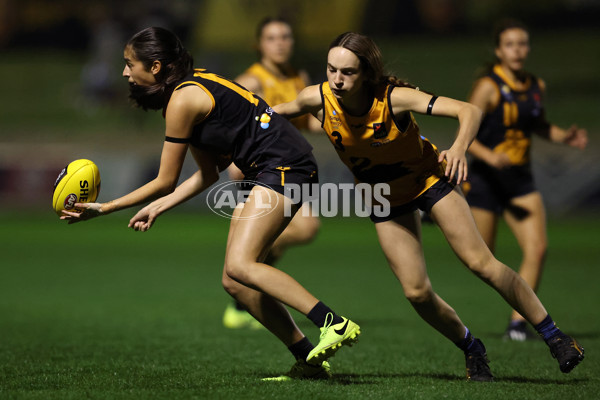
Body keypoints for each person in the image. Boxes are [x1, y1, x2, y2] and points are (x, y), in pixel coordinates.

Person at [273, 31, 585, 381]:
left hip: (429, 182)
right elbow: (273, 114)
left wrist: (459, 147)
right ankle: (471, 347)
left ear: (367, 73)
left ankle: (554, 336)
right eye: (331, 70)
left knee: (480, 263)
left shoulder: (394, 99)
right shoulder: (317, 98)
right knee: (417, 293)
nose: (337, 80)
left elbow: (468, 110)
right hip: (384, 200)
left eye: (348, 72)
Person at [60, 26, 361, 380]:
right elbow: (206, 174)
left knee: (242, 265)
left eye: (129, 63)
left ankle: (333, 322)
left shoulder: (182, 100)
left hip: (283, 165)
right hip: (269, 167)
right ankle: (307, 357)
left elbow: (164, 180)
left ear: (155, 67)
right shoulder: (191, 87)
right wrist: (160, 206)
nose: (125, 71)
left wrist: (105, 208)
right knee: (235, 283)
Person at [463, 19, 588, 341]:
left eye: (522, 44)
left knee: (537, 248)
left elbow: (538, 125)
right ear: (498, 50)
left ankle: (519, 324)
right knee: (482, 258)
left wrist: (564, 136)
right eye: (510, 44)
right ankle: (434, 212)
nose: (518, 50)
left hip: (519, 180)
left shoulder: (536, 85)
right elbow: (466, 135)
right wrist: (490, 157)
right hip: (486, 180)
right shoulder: (489, 86)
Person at [222, 17, 321, 330]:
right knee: (306, 227)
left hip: (289, 169)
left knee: (267, 246)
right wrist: (233, 161)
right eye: (272, 37)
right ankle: (244, 287)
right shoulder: (251, 81)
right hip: (260, 170)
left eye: (285, 36)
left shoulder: (298, 77)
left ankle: (243, 300)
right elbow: (229, 125)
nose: (280, 43)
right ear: (259, 45)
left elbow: (313, 124)